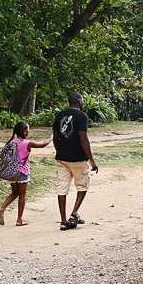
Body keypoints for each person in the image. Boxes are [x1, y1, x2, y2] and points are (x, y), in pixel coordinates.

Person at [53, 92, 98, 231]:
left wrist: (60, 150)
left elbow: (55, 137)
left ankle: (63, 220)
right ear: (78, 101)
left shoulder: (60, 115)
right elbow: (83, 139)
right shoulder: (82, 117)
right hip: (78, 158)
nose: (83, 103)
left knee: (62, 188)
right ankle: (74, 213)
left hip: (62, 158)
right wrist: (92, 160)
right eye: (82, 101)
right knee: (82, 185)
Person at [0, 121, 51, 226]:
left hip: (11, 172)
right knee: (22, 195)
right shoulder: (27, 143)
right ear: (25, 132)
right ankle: (19, 219)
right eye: (28, 129)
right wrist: (51, 138)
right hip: (22, 171)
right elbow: (43, 144)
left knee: (14, 192)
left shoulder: (11, 142)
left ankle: (2, 208)